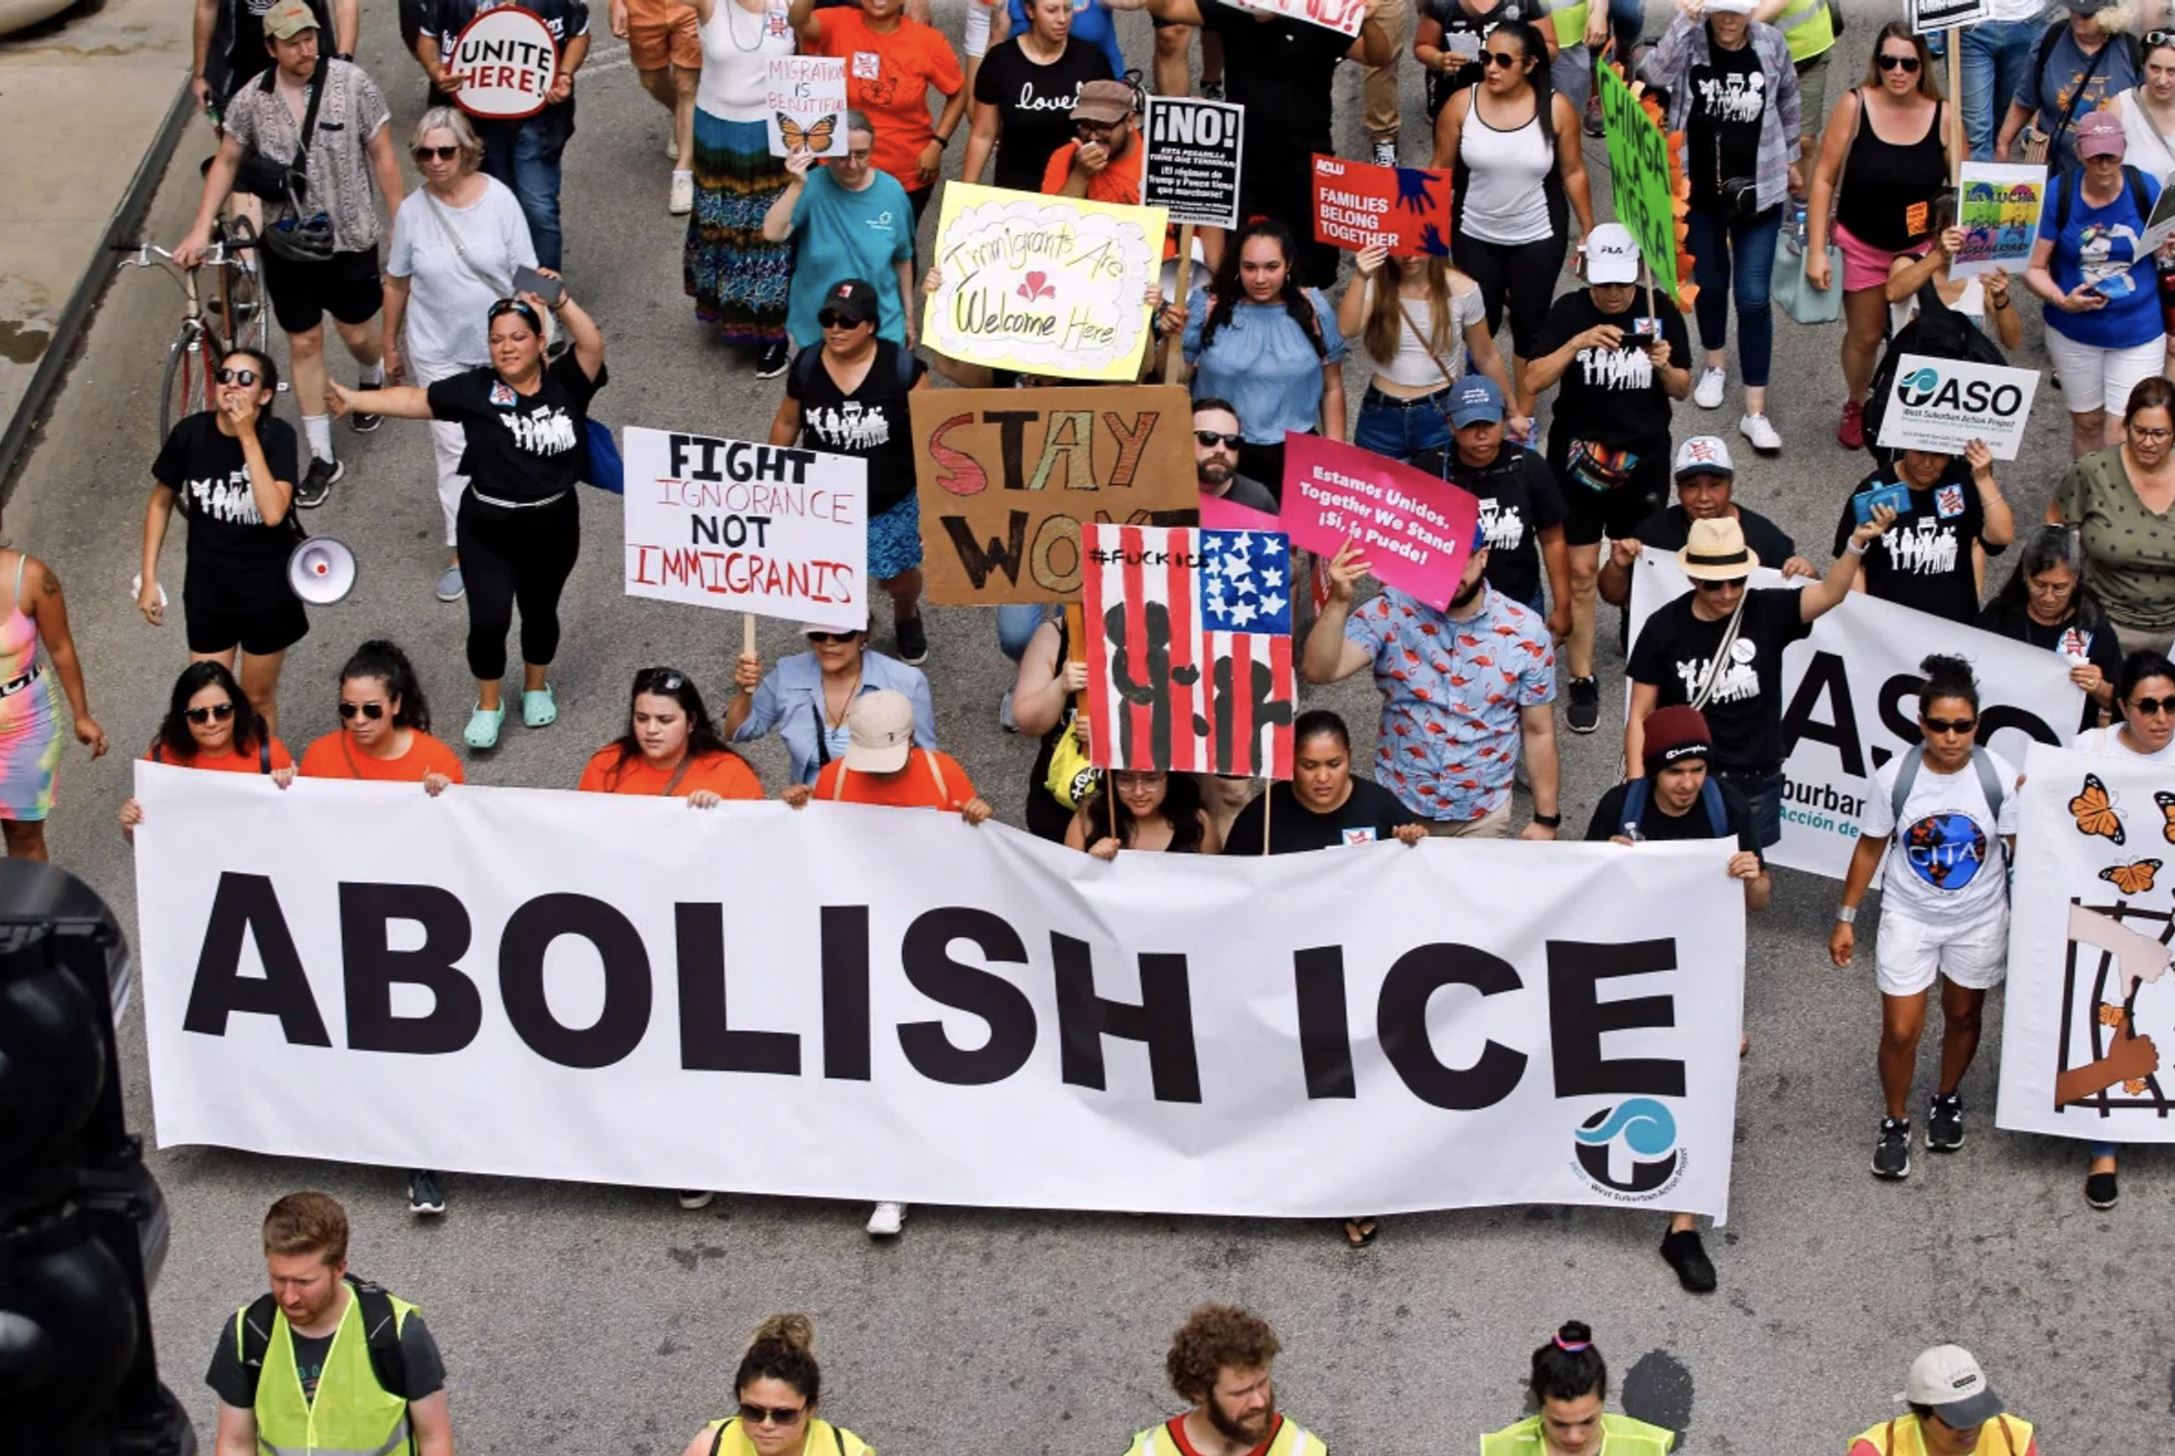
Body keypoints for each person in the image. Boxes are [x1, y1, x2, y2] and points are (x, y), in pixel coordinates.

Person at [329, 284, 604, 749]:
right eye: (497, 339)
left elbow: (592, 343)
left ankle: (537, 687)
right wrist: (357, 401)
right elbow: (417, 401)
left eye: (518, 337)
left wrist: (559, 300)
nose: (507, 346)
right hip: (487, 529)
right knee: (489, 620)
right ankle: (490, 704)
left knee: (540, 612)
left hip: (553, 526)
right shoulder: (477, 389)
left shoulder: (568, 383)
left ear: (540, 343)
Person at [781, 688, 991, 1238]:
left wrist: (978, 818)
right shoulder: (836, 779)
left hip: (932, 939)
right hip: (862, 937)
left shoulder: (944, 775)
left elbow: (979, 858)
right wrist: (796, 814)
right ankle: (890, 1182)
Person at [176, 0, 400, 508]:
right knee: (303, 343)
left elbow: (383, 153)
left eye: (310, 38)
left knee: (358, 332)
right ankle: (321, 455)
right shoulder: (252, 101)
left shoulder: (351, 84)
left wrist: (404, 220)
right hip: (287, 244)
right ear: (272, 47)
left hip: (349, 239)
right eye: (293, 42)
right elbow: (227, 162)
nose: (306, 49)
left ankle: (370, 376)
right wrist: (196, 231)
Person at [1584, 705, 1764, 1292]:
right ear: (1652, 772)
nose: (1688, 783)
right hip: (1629, 966)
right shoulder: (1621, 806)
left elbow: (1759, 901)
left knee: (1702, 1082)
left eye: (1697, 769)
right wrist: (1603, 864)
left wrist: (1751, 874)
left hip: (1702, 967)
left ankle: (1682, 1225)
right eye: (1676, 772)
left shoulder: (1725, 807)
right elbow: (1575, 895)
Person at [1830, 655, 2018, 1181]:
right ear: (1921, 724)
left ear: (1977, 725)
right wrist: (1846, 916)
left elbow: (2022, 851)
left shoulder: (1998, 777)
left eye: (1963, 726)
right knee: (1900, 1030)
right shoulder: (1897, 778)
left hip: (1978, 919)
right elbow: (1869, 849)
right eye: (1940, 725)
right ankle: (1895, 1120)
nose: (1951, 736)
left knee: (1963, 1015)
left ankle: (1947, 1098)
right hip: (1908, 918)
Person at [1626, 509, 1892, 848]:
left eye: (1736, 580)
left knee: (1746, 876)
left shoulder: (1767, 610)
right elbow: (1640, 714)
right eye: (1713, 584)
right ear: (1693, 578)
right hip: (1687, 775)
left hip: (1755, 774)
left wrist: (1856, 544)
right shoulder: (1662, 628)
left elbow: (1830, 593)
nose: (1726, 593)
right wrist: (1636, 790)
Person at [1524, 223, 1692, 735]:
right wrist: (1576, 343)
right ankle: (1581, 677)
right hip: (1577, 461)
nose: (1615, 294)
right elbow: (1531, 379)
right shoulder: (1569, 313)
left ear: (1637, 274)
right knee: (1577, 574)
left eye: (1623, 283)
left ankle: (1630, 622)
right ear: (1588, 275)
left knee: (1635, 563)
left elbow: (1684, 388)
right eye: (1605, 284)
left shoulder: (1659, 309)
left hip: (1641, 461)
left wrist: (1664, 366)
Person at [1305, 527, 1562, 839]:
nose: (1451, 575)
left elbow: (1539, 730)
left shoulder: (1527, 632)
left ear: (1483, 557)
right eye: (1441, 561)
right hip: (1401, 808)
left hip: (1482, 816)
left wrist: (1546, 819)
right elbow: (1319, 671)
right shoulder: (1391, 610)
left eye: (1461, 561)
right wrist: (1339, 601)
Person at [383, 108, 538, 605]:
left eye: (446, 151)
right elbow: (398, 280)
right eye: (425, 153)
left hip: (503, 351)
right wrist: (389, 342)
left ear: (467, 151)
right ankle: (460, 550)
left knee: (508, 442)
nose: (435, 161)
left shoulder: (500, 201)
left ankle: (514, 532)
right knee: (452, 450)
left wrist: (551, 317)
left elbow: (525, 273)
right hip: (438, 352)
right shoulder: (411, 212)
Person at [1143, 0, 1394, 289]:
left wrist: (1368, 22)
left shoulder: (1321, 16)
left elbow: (1378, 56)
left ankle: (1306, 325)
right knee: (1235, 265)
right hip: (1243, 160)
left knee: (1310, 272)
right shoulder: (1236, 10)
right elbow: (1165, 9)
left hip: (1305, 161)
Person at [1644, 0, 1802, 452]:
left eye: (1737, 11)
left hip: (1760, 189)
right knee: (1711, 283)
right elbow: (1654, 74)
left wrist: (1791, 156)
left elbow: (1789, 97)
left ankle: (1756, 410)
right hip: (1700, 193)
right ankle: (1714, 364)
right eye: (1721, 11)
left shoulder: (1771, 43)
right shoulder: (1691, 40)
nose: (1729, 21)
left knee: (1752, 298)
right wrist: (1685, 19)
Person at [139, 346, 307, 733]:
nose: (232, 384)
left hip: (267, 591)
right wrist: (149, 576)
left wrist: (247, 436)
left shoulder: (277, 437)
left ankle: (261, 776)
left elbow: (272, 512)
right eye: (225, 376)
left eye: (245, 379)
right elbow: (161, 501)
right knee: (206, 697)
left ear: (264, 396)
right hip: (209, 588)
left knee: (255, 699)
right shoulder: (190, 434)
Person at [205, 1193, 452, 1456]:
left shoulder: (397, 1333)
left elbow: (434, 1439)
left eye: (304, 1282)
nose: (289, 1297)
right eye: (278, 1278)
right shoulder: (249, 1333)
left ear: (339, 1269)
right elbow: (235, 1444)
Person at [2061, 646, 2175, 1208]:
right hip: (2105, 911)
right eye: (2148, 706)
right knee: (2112, 1013)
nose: (2161, 718)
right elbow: (2054, 812)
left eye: (2171, 705)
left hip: (2168, 910)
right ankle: (2103, 1147)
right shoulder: (2091, 749)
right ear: (2123, 706)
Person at [1804, 23, 1951, 451]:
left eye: (1909, 62)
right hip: (1862, 244)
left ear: (1922, 65)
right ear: (1877, 63)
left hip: (1920, 248)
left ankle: (1913, 408)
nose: (1898, 71)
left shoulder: (1944, 114)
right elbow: (1824, 179)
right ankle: (1856, 401)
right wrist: (1817, 249)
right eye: (1889, 61)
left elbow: (1963, 183)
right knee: (1865, 337)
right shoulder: (1855, 105)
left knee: (1925, 336)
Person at [769, 279, 933, 664]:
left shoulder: (902, 368)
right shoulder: (807, 365)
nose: (835, 329)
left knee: (899, 577)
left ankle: (906, 615)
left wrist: (939, 503)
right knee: (833, 578)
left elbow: (931, 434)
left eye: (847, 321)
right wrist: (770, 477)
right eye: (828, 319)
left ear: (871, 325)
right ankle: (846, 642)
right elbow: (787, 423)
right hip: (826, 503)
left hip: (888, 501)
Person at [1430, 20, 1595, 397]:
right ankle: (1481, 406)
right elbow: (1438, 172)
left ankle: (1522, 411)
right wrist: (1427, 236)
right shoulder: (1460, 105)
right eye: (1486, 57)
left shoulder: (1556, 109)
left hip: (1537, 236)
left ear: (1530, 64)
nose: (1491, 67)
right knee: (1476, 322)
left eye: (1504, 61)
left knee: (1530, 324)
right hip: (1474, 234)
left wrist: (1590, 231)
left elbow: (1573, 172)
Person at [1167, 220, 1349, 494]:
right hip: (1218, 450)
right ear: (1237, 266)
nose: (1260, 278)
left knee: (1293, 537)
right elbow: (1177, 378)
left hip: (1296, 454)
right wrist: (1171, 340)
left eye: (1271, 267)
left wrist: (1335, 456)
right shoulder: (1207, 305)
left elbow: (1332, 386)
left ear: (1288, 265)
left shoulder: (1313, 307)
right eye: (1250, 267)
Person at [2025, 111, 2166, 458]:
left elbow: (2163, 251)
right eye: (2096, 157)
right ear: (2080, 154)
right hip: (2074, 330)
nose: (2105, 165)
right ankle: (2085, 504)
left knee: (2122, 430)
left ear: (2123, 152)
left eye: (2112, 156)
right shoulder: (2060, 194)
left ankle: (2119, 509)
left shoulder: (2144, 187)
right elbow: (2032, 267)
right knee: (2086, 423)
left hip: (2138, 328)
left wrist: (2169, 245)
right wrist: (2061, 299)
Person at [412, 0, 591, 270]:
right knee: (493, 206)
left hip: (538, 122)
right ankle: (507, 291)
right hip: (477, 126)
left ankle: (542, 298)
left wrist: (564, 73)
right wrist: (435, 70)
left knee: (537, 209)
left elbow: (579, 32)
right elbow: (427, 37)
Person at [679, 0, 796, 375]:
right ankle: (729, 308)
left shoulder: (792, 3)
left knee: (768, 234)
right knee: (721, 226)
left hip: (773, 133)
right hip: (717, 131)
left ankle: (771, 333)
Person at [792, 0, 966, 242]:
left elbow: (958, 92)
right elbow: (797, 21)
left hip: (906, 173)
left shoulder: (927, 41)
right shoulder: (837, 22)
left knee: (894, 253)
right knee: (840, 251)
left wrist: (938, 143)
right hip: (843, 168)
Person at [1410, 377, 1569, 630]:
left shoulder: (1530, 467)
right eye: (1471, 425)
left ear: (1504, 420)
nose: (1481, 434)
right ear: (1451, 425)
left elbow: (1553, 539)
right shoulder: (1427, 472)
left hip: (1520, 601)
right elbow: (1404, 540)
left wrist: (1563, 607)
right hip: (1450, 605)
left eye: (1489, 423)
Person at [1338, 243, 1520, 464]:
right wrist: (1360, 276)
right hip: (1382, 411)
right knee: (1376, 494)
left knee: (1440, 493)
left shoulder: (1463, 289)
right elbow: (1347, 329)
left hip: (1438, 411)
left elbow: (1485, 355)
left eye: (1416, 246)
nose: (1407, 256)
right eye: (1399, 246)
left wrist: (1513, 410)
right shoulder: (1376, 281)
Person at [1598, 435, 1814, 612]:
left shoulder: (1766, 538)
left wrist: (1807, 575)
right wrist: (1616, 567)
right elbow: (1613, 596)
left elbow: (1806, 603)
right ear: (1678, 489)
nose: (1703, 497)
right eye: (1692, 486)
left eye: (1714, 485)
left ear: (1731, 485)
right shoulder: (1652, 533)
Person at [763, 115, 918, 351]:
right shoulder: (811, 186)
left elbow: (903, 258)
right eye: (844, 155)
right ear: (828, 153)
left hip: (880, 329)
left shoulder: (893, 193)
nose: (852, 164)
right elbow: (772, 232)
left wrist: (908, 317)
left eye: (861, 154)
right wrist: (796, 185)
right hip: (817, 330)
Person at [2049, 376, 2175, 655]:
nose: (2148, 442)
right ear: (2125, 426)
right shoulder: (2093, 471)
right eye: (2139, 431)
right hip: (2104, 624)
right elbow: (2054, 529)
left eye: (2159, 433)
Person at [729, 620, 937, 787]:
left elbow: (926, 759)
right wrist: (744, 692)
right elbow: (738, 732)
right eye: (818, 634)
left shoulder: (906, 682)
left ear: (863, 635)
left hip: (880, 809)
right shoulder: (788, 673)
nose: (829, 643)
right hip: (813, 810)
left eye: (842, 635)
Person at [0, 536, 106, 862]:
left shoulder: (31, 576)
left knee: (24, 835)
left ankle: (31, 913)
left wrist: (82, 714)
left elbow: (61, 649)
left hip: (25, 727)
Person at [1835, 441, 2015, 624]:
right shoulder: (1876, 490)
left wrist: (1984, 479)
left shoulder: (1962, 482)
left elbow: (1998, 538)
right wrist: (1864, 616)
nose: (1927, 463)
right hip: (1889, 624)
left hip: (1953, 623)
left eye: (1938, 455)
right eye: (1920, 452)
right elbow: (1853, 561)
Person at [117, 662, 294, 839]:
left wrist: (292, 788)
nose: (211, 723)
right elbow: (148, 841)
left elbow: (294, 829)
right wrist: (131, 824)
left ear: (236, 709)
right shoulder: (160, 761)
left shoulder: (270, 755)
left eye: (222, 711)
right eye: (198, 715)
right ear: (182, 717)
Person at [1121, 1305, 1325, 1456]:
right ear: (1198, 1392)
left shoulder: (1302, 1450)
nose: (1259, 1402)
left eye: (1262, 1383)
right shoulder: (1150, 1452)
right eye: (1240, 1392)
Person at [1224, 709, 1428, 853]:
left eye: (1333, 764)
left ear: (1349, 757)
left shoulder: (1381, 806)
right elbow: (1233, 880)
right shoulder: (1262, 814)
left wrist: (1412, 839)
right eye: (1309, 766)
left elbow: (1416, 871)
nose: (1322, 777)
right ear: (1291, 761)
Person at [1979, 524, 2122, 730]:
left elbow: (2122, 703)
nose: (2048, 597)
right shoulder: (2001, 614)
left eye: (2059, 588)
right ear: (2025, 575)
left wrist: (2098, 687)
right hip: (2002, 731)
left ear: (2075, 580)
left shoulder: (2092, 625)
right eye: (2039, 585)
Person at [962, 0, 1113, 193]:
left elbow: (1110, 131)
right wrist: (964, 194)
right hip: (1016, 187)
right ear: (1030, 10)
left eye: (1067, 9)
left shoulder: (1092, 60)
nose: (1062, 19)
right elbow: (982, 135)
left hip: (1078, 184)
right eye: (1051, 10)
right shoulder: (1001, 61)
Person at [677, 1316, 873, 1456]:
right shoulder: (711, 1446)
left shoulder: (849, 1452)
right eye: (753, 1411)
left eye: (784, 1415)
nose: (766, 1425)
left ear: (810, 1409)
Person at [1480, 1323, 1676, 1456]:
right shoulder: (1504, 1449)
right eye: (1559, 1423)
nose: (1575, 1437)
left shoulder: (1648, 1446)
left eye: (1588, 1421)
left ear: (1603, 1400)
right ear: (1540, 1407)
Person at [579, 666, 764, 801]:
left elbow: (755, 843)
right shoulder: (606, 764)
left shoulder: (731, 774)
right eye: (642, 718)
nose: (651, 730)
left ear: (690, 722)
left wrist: (721, 817)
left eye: (665, 720)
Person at [1998, 0, 2143, 173]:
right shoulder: (2050, 39)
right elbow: (2026, 98)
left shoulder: (2129, 49)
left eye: (2085, 14)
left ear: (2109, 15)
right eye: (2072, 9)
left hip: (2110, 171)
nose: (2076, 17)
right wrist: (2003, 144)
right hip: (2055, 168)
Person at [1847, 1347, 2041, 1456]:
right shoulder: (1877, 1452)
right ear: (1921, 1414)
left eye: (1977, 1413)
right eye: (1956, 1419)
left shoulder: (2014, 1440)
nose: (1971, 1427)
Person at [1883, 215, 2024, 352]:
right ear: (1934, 234)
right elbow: (1893, 293)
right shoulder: (1908, 263)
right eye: (1952, 236)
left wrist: (2001, 299)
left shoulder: (1982, 277)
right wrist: (1939, 255)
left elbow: (2013, 342)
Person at [613, 0, 701, 213]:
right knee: (651, 79)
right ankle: (680, 119)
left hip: (691, 7)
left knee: (687, 86)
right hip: (642, 7)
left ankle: (684, 170)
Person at [194, 0, 355, 117]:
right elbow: (207, 7)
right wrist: (200, 75)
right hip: (242, 70)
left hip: (307, 64)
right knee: (242, 150)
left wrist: (343, 62)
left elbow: (344, 3)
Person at [1411, 0, 1556, 124]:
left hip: (1515, 99)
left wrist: (1522, 58)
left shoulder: (1528, 3)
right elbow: (1423, 45)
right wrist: (1439, 59)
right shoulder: (1442, 3)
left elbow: (1550, 47)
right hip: (1459, 100)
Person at [1752, 0, 1837, 185]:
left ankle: (1801, 209)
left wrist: (1735, 23)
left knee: (1803, 141)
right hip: (1754, 56)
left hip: (1807, 52)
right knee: (1753, 137)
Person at [1067, 769, 1221, 856]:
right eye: (1126, 779)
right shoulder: (1089, 817)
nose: (1138, 792)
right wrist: (1091, 864)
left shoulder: (1197, 822)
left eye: (1151, 779)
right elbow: (1066, 888)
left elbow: (1215, 887)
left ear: (1170, 778)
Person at [1192, 398, 1279, 514]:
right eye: (1208, 438)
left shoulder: (1259, 501)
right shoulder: (1162, 492)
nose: (1221, 450)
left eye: (1232, 441)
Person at [2108, 29, 2175, 177]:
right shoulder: (2120, 108)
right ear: (2143, 66)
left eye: (2172, 71)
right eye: (2155, 69)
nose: (2162, 80)